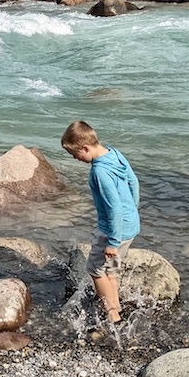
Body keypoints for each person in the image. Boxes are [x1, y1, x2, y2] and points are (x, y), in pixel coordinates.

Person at [61, 120, 140, 325]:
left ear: (85, 148)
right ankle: (118, 306)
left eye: (74, 154)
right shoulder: (115, 154)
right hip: (130, 225)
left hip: (112, 231)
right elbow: (133, 181)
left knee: (95, 270)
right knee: (111, 270)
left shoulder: (99, 172)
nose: (75, 159)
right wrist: (133, 208)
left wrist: (112, 242)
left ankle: (112, 314)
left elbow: (113, 208)